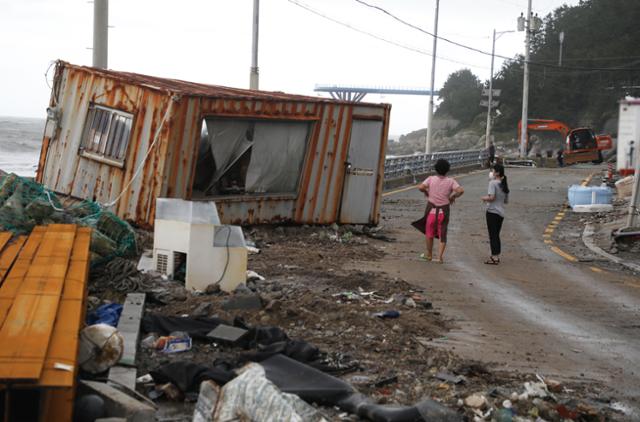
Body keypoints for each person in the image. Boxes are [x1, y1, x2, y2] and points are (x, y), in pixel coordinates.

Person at [417, 159, 464, 263]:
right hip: (443, 211)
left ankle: (429, 254)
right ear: (447, 170)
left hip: (431, 211)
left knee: (429, 233)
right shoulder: (451, 181)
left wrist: (426, 191)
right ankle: (439, 257)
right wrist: (453, 197)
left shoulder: (430, 179)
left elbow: (420, 187)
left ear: (436, 169)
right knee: (442, 233)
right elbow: (461, 190)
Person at [481, 164, 509, 265]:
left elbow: (492, 197)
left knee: (492, 235)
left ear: (497, 173)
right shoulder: (503, 184)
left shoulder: (492, 183)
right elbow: (506, 200)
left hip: (492, 212)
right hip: (501, 213)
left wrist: (484, 198)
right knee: (496, 234)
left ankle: (494, 257)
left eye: (493, 171)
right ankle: (496, 254)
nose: (492, 173)